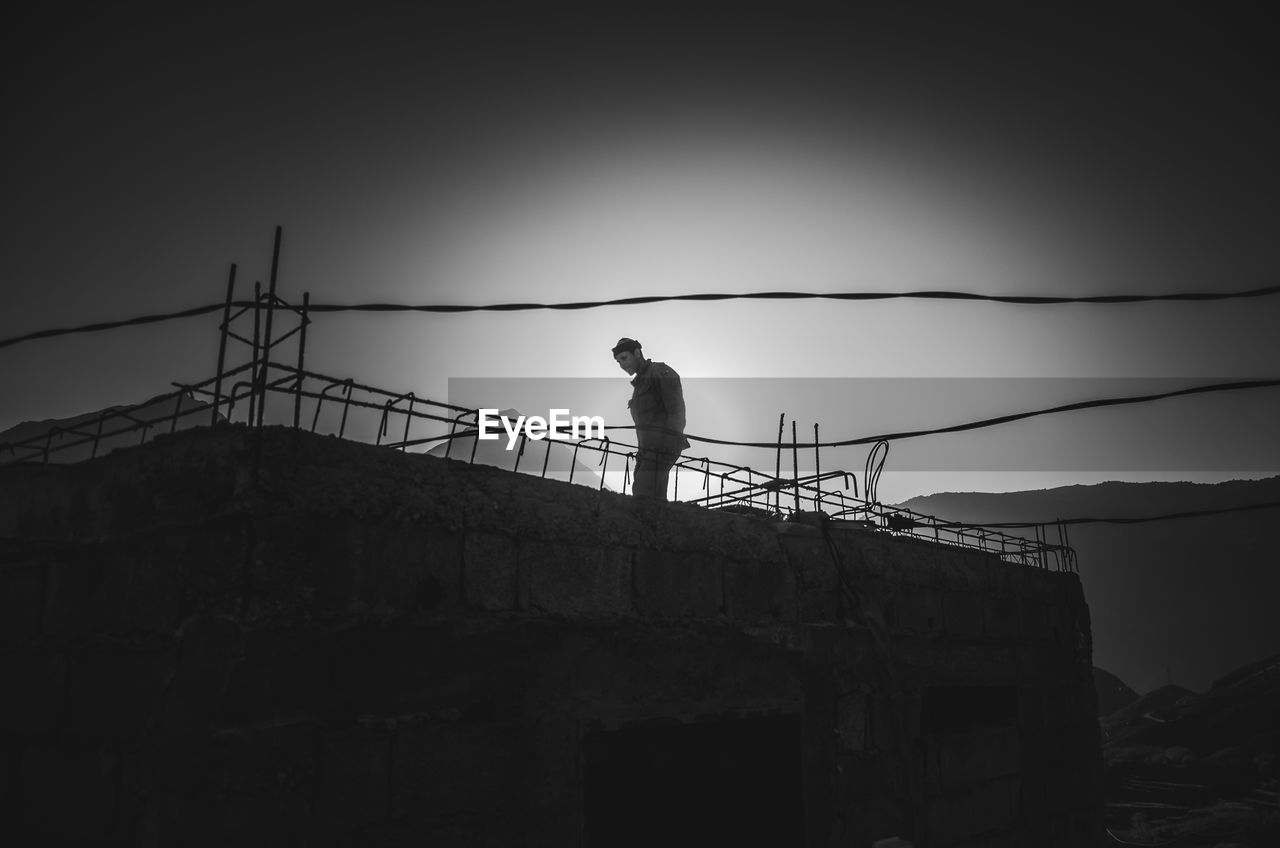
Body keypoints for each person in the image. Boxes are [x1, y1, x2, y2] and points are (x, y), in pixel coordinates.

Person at [611, 338, 689, 500]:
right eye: (618, 362)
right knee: (655, 497)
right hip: (647, 450)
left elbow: (677, 412)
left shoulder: (660, 372)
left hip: (664, 445)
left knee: (642, 490)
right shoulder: (639, 385)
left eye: (624, 358)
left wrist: (666, 446)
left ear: (637, 353)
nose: (622, 365)